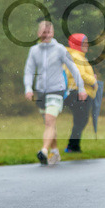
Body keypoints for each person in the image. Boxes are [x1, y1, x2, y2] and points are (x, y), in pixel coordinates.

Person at [24, 19, 85, 166]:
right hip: (41, 92)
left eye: (49, 32)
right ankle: (55, 152)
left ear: (53, 33)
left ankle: (44, 151)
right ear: (39, 33)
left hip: (57, 90)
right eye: (43, 32)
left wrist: (81, 88)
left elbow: (73, 68)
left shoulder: (60, 49)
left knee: (50, 121)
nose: (46, 35)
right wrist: (28, 88)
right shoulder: (34, 50)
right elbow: (29, 70)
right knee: (49, 123)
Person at [63, 33, 98, 154]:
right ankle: (72, 146)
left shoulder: (77, 56)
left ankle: (74, 146)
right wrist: (93, 80)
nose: (87, 45)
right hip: (79, 93)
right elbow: (80, 74)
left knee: (80, 119)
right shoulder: (76, 56)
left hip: (79, 92)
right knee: (81, 119)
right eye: (84, 43)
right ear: (77, 44)